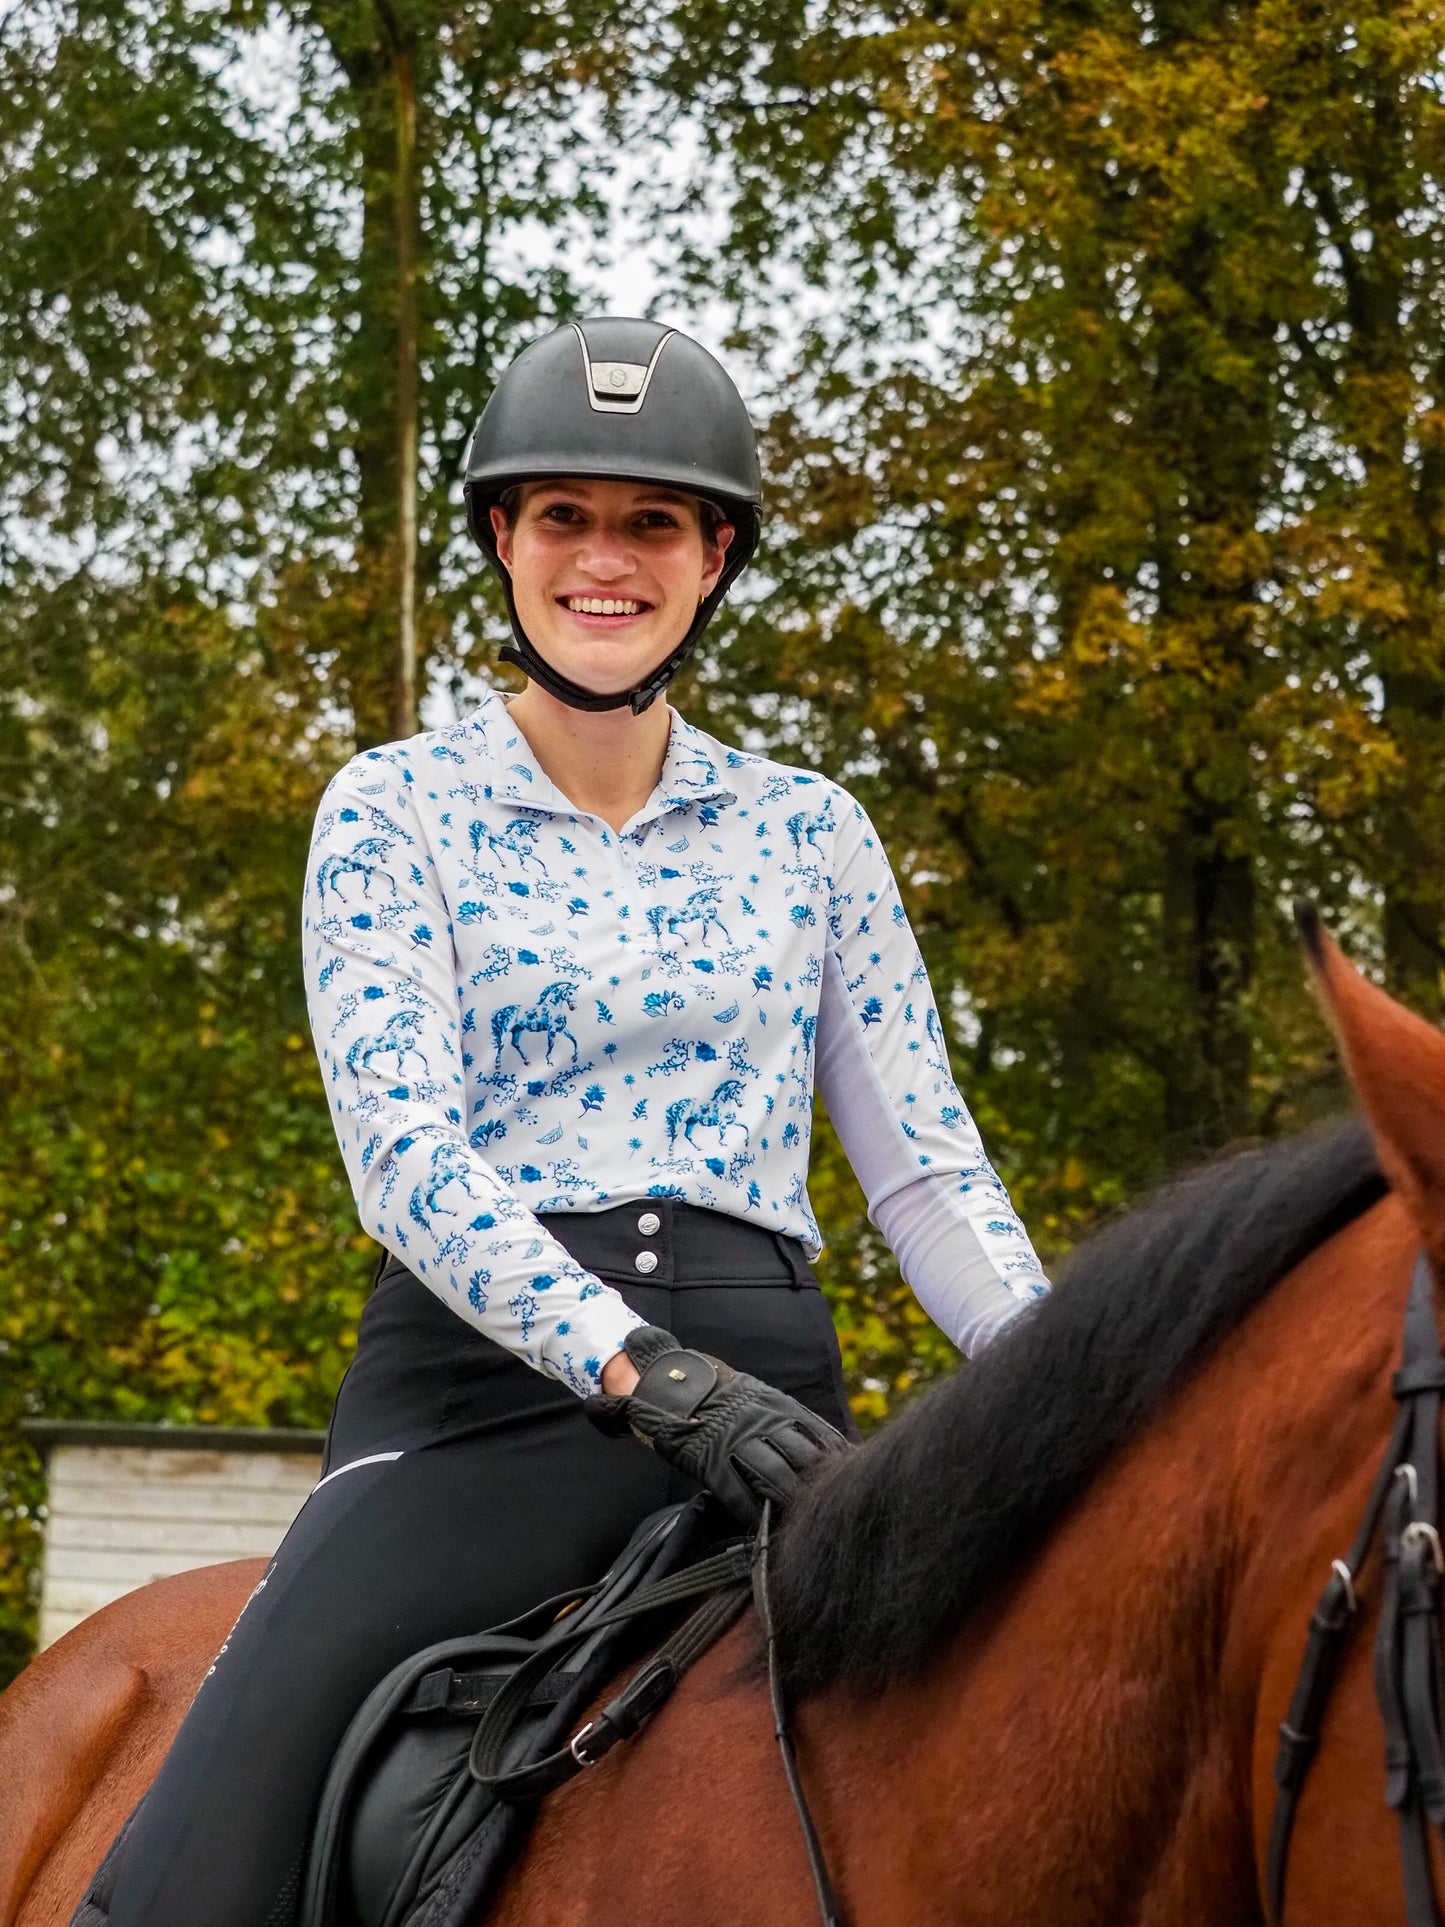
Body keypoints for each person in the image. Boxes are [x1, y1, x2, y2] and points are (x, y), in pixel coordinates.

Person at [78, 317, 1048, 1927]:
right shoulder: (394, 807)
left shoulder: (814, 832)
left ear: (715, 554)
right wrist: (636, 1370)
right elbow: (404, 1159)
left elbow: (928, 1175)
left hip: (774, 1412)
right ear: (502, 543)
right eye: (565, 518)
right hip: (480, 1405)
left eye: (651, 521)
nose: (607, 560)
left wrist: (1075, 1390)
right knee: (201, 1859)